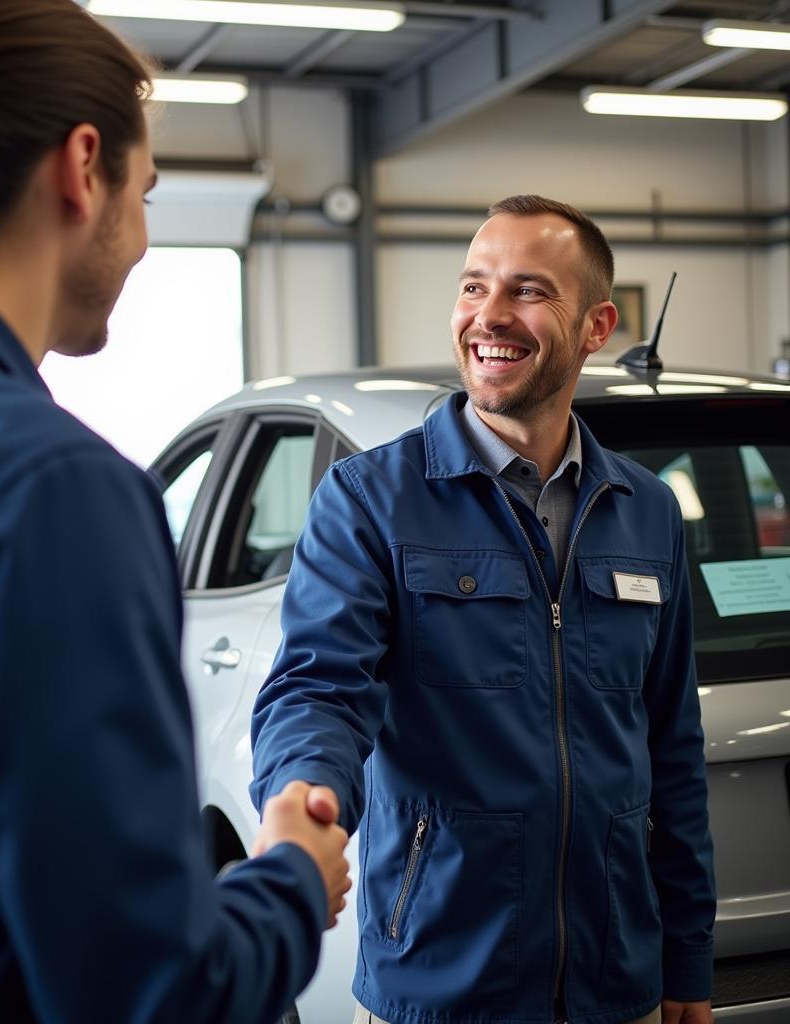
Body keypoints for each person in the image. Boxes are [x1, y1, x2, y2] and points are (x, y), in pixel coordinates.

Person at [0, 1, 351, 1021]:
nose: (138, 242)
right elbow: (152, 993)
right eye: (149, 194)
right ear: (84, 168)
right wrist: (294, 880)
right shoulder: (53, 490)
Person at [251, 195, 716, 1024]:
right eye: (473, 287)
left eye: (528, 291)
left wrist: (687, 959)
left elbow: (671, 748)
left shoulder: (645, 510)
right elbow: (319, 690)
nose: (488, 316)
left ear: (595, 325)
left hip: (620, 986)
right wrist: (303, 795)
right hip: (443, 984)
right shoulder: (371, 501)